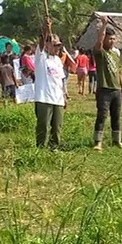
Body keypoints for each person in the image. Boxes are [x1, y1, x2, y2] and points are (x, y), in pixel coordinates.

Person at [33, 18, 77, 150]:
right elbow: (41, 42)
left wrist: (64, 96)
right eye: (54, 45)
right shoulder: (41, 57)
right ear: (47, 45)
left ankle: (54, 148)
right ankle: (41, 148)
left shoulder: (58, 60)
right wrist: (46, 29)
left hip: (57, 99)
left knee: (57, 126)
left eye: (58, 45)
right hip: (43, 98)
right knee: (43, 125)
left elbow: (61, 80)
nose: (57, 48)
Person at [91, 16, 122, 150]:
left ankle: (117, 141)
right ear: (104, 38)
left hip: (116, 90)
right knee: (102, 115)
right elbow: (98, 42)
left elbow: (118, 72)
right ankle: (98, 142)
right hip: (104, 89)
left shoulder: (115, 54)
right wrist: (104, 25)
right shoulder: (100, 53)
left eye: (114, 39)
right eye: (109, 38)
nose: (112, 41)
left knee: (116, 116)